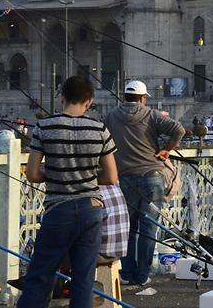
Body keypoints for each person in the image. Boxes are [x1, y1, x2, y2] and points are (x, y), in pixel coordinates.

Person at [19, 76, 118, 308]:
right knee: (83, 281)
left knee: (40, 275)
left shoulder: (44, 126)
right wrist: (88, 177)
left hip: (59, 210)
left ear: (61, 96)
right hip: (91, 210)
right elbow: (112, 177)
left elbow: (32, 174)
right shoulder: (99, 129)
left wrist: (55, 174)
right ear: (90, 101)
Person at [104, 79, 184, 287]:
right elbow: (179, 130)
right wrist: (166, 149)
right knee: (149, 227)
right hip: (152, 177)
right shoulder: (151, 115)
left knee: (127, 228)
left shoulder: (111, 116)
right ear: (142, 98)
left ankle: (128, 273)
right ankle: (142, 275)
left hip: (125, 179)